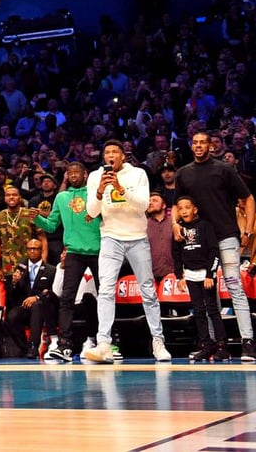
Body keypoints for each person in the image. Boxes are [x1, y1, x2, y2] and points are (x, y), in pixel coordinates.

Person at [83, 140, 172, 364]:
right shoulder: (96, 177)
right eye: (107, 152)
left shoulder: (138, 174)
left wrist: (120, 189)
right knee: (105, 289)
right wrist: (102, 189)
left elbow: (143, 205)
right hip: (110, 236)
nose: (110, 155)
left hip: (137, 237)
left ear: (123, 156)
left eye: (115, 152)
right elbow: (91, 212)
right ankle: (103, 343)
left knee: (148, 290)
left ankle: (158, 341)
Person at [174, 131, 256, 361]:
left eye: (203, 142)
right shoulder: (183, 173)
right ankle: (214, 343)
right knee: (207, 292)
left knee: (234, 285)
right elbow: (176, 204)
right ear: (192, 146)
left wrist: (248, 229)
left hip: (226, 235)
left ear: (211, 146)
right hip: (199, 241)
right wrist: (174, 224)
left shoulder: (224, 169)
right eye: (196, 143)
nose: (199, 146)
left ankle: (248, 341)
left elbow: (248, 198)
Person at [36, 162, 101, 363]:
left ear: (85, 174)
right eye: (70, 172)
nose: (73, 175)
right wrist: (37, 219)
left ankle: (105, 341)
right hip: (73, 251)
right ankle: (64, 344)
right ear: (66, 176)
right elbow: (52, 225)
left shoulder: (95, 194)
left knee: (105, 297)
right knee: (66, 298)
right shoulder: (62, 197)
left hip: (99, 250)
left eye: (77, 172)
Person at [172, 196, 229, 362]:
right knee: (198, 311)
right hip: (189, 275)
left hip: (206, 275)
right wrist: (179, 276)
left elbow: (213, 251)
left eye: (187, 207)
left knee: (212, 310)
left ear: (195, 209)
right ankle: (206, 344)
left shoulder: (205, 226)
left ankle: (222, 346)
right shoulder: (178, 229)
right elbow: (176, 254)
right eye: (180, 208)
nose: (184, 211)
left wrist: (210, 274)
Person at [5, 239, 55, 359]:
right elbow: (13, 295)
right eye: (29, 249)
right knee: (12, 316)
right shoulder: (20, 268)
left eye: (35, 248)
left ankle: (33, 346)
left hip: (44, 308)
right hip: (25, 306)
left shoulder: (50, 269)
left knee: (37, 306)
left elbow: (53, 292)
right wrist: (14, 283)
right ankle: (25, 348)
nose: (32, 251)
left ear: (41, 251)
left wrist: (37, 297)